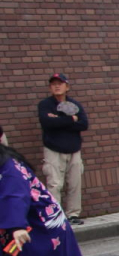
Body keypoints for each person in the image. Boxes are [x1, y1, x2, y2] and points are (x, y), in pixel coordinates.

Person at [38, 73, 88, 225]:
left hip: (74, 149)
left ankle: (73, 214)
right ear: (50, 87)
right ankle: (55, 215)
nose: (57, 86)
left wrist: (58, 120)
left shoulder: (75, 105)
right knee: (54, 184)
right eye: (53, 84)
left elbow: (84, 124)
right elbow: (47, 123)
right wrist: (71, 119)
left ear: (67, 87)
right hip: (53, 149)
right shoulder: (45, 105)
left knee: (74, 183)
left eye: (60, 83)